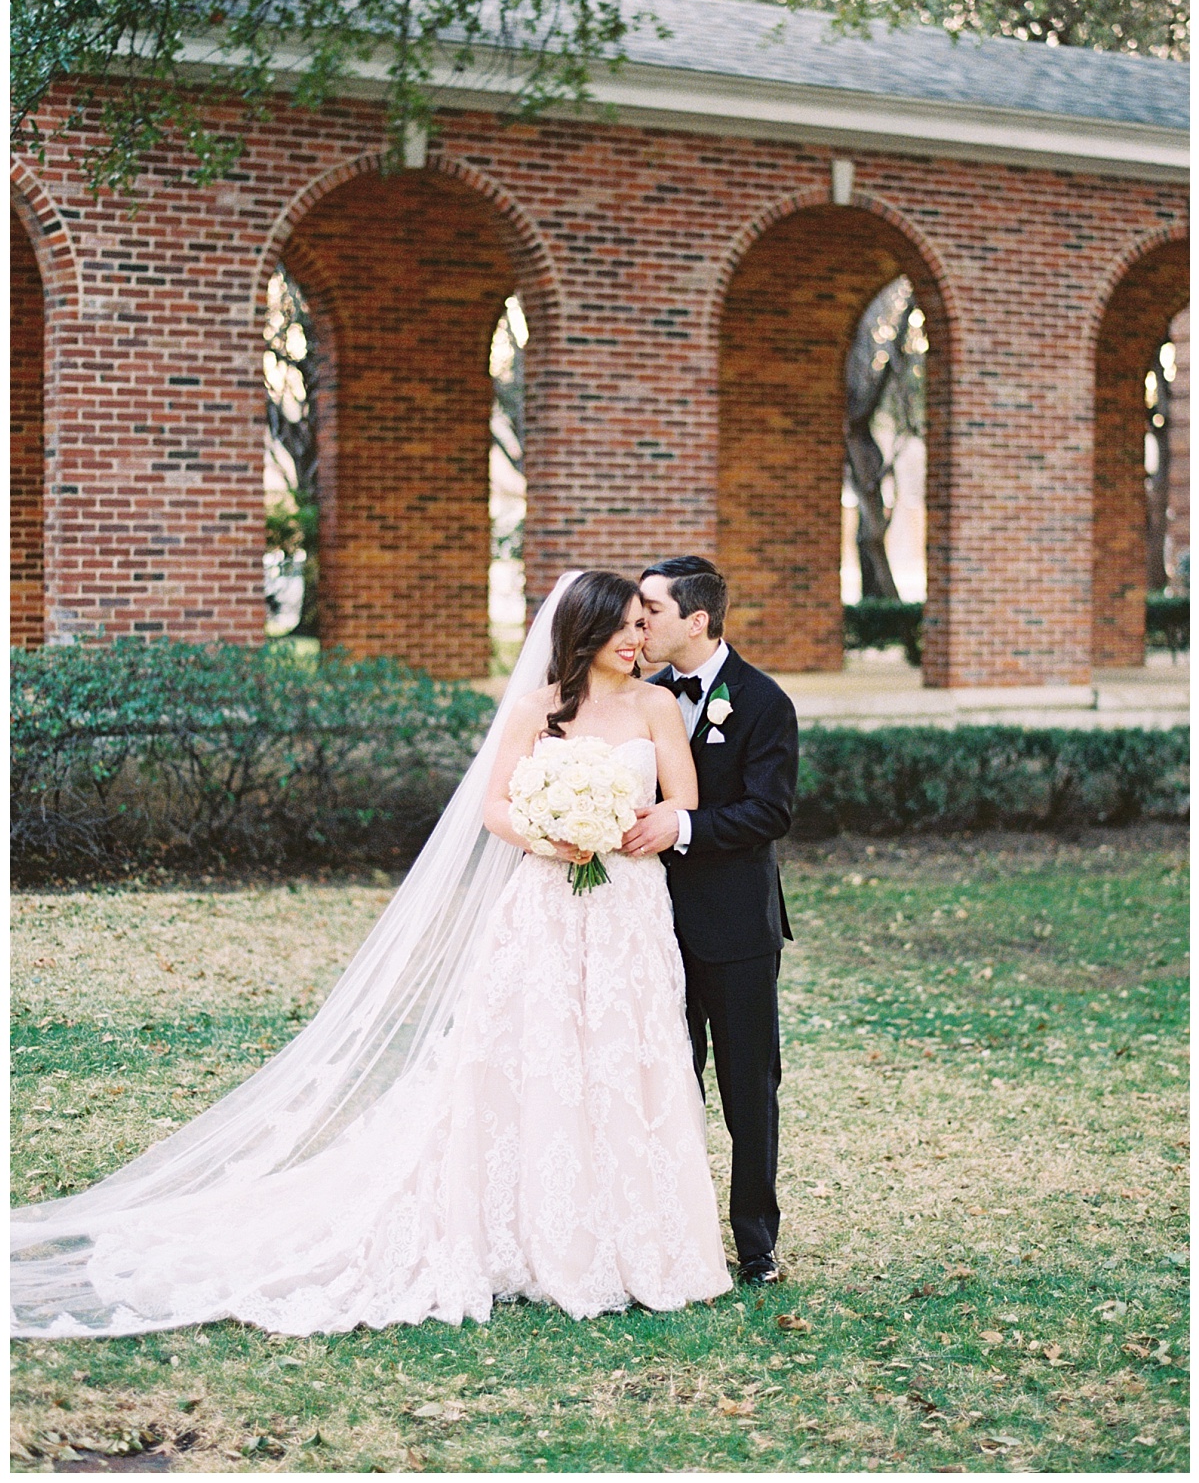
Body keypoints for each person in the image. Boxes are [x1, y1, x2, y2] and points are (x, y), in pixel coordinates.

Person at [11, 571, 731, 1338]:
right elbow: (495, 807)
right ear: (584, 632)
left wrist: (635, 823)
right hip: (548, 902)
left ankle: (640, 1237)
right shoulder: (534, 709)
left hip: (629, 906)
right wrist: (553, 833)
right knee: (541, 1055)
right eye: (621, 626)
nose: (636, 638)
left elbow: (683, 801)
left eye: (638, 625)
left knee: (629, 1057)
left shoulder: (657, 706)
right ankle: (539, 1231)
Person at [626, 556, 800, 1288]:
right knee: (669, 1084)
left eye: (652, 613)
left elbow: (771, 812)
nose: (639, 625)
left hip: (736, 930)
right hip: (652, 927)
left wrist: (684, 828)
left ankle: (756, 1246)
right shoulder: (642, 697)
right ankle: (677, 1233)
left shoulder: (763, 702)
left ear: (697, 621)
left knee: (747, 1087)